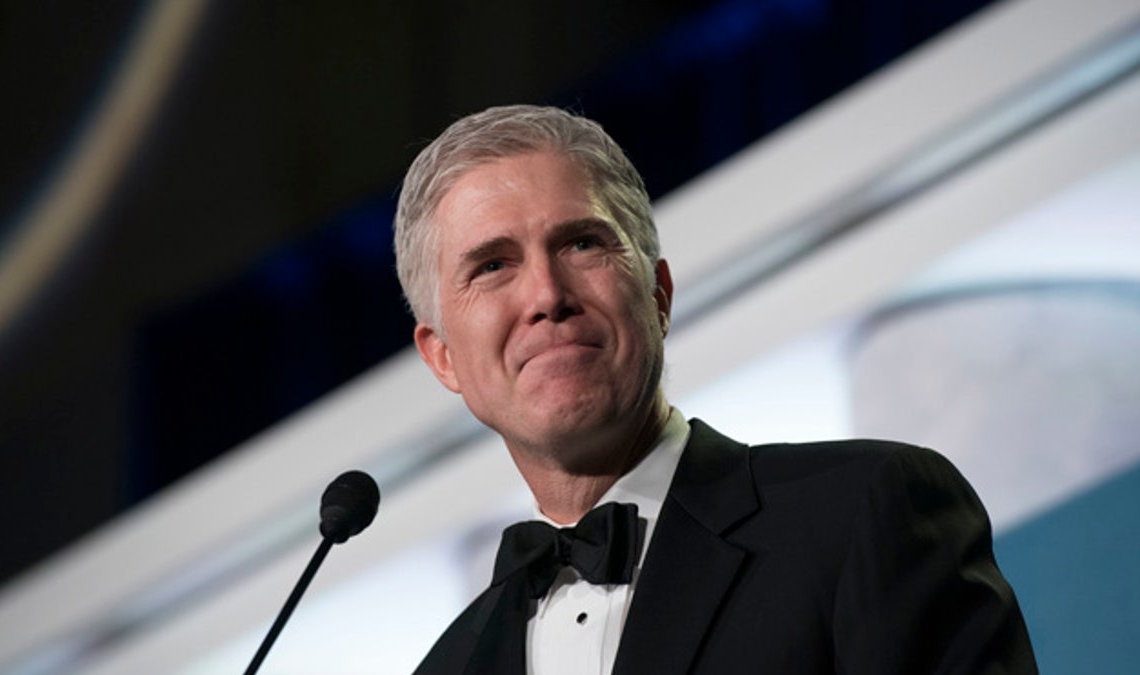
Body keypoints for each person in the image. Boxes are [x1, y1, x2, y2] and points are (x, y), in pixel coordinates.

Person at [393, 104, 1037, 674]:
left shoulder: (866, 510)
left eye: (582, 243)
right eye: (493, 266)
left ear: (658, 294)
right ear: (442, 357)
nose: (546, 296)